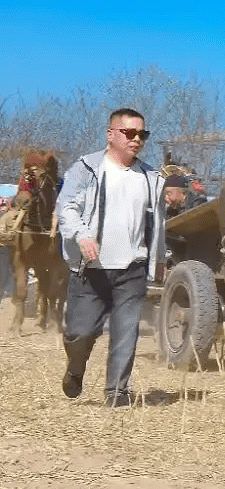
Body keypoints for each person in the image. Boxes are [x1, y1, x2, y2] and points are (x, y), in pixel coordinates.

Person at [54, 107, 169, 406]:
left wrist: (159, 259)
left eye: (142, 134)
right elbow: (66, 207)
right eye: (129, 133)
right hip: (90, 269)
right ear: (111, 134)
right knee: (79, 334)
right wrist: (82, 235)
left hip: (132, 268)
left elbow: (157, 224)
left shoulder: (150, 177)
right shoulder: (86, 168)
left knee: (126, 333)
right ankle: (76, 368)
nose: (136, 140)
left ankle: (117, 392)